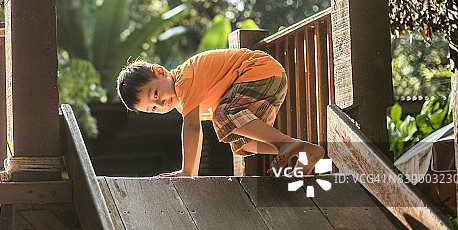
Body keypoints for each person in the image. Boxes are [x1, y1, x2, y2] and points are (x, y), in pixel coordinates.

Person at [116, 49, 325, 177]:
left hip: (260, 72)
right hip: (270, 80)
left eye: (155, 94)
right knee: (242, 143)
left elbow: (192, 128)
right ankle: (306, 151)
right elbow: (197, 129)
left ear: (160, 71)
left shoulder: (184, 80)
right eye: (153, 108)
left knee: (223, 116)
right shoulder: (183, 99)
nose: (161, 103)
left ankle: (285, 144)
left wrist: (188, 172)